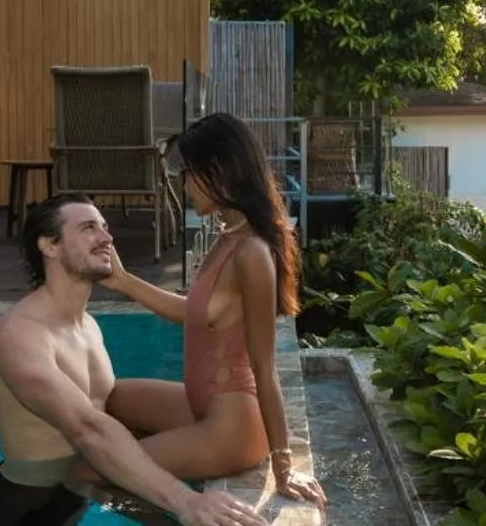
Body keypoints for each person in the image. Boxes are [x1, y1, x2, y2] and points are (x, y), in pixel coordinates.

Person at [0, 192, 269, 526]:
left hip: (83, 481)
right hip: (33, 503)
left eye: (104, 227)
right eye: (89, 228)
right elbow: (86, 427)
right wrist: (186, 500)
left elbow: (107, 408)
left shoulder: (86, 325)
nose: (106, 237)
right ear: (50, 246)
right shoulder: (20, 336)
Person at [94, 113, 327, 510]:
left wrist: (283, 466)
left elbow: (265, 367)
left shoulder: (252, 252)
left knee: (90, 472)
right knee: (105, 400)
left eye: (188, 173)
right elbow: (194, 311)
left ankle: (167, 506)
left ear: (218, 171)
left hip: (232, 426)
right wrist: (124, 281)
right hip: (199, 404)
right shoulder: (226, 235)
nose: (182, 184)